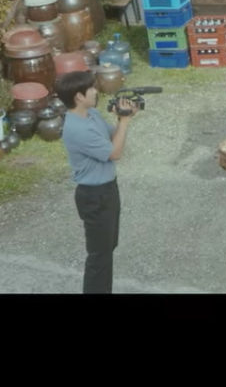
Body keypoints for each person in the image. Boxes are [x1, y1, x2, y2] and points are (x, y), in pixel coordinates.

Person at [56, 69, 138, 294]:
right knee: (99, 256)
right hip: (94, 196)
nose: (96, 91)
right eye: (91, 88)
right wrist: (125, 121)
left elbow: (112, 136)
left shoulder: (91, 114)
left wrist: (123, 118)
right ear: (78, 96)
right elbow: (114, 153)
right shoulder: (77, 129)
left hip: (108, 190)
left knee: (108, 248)